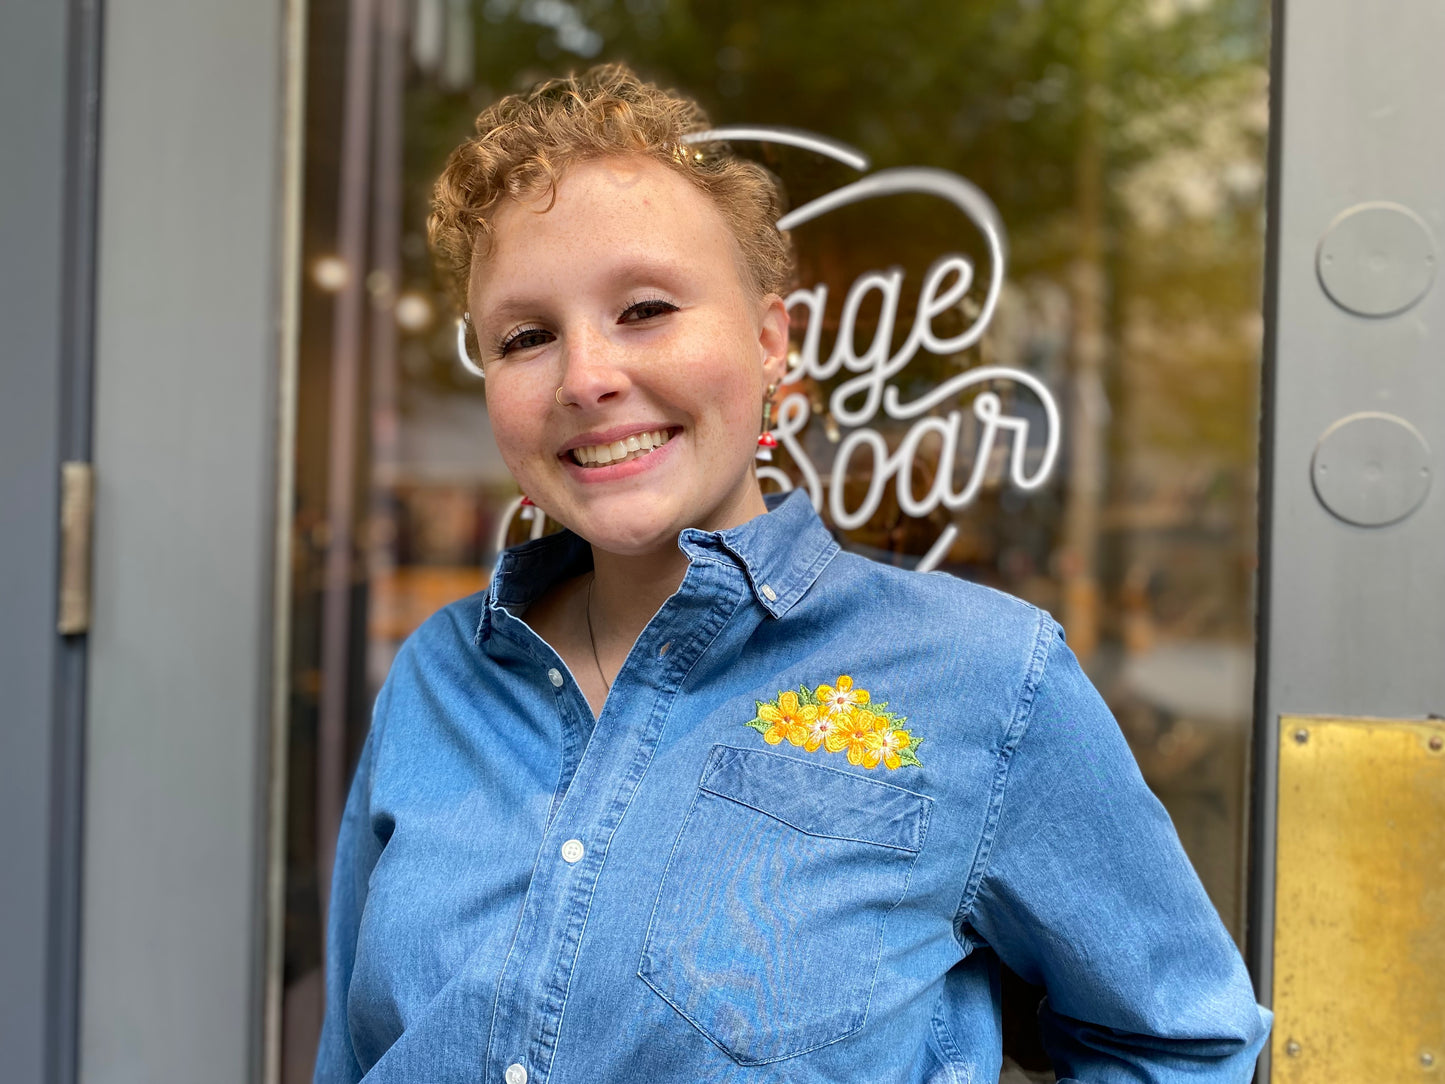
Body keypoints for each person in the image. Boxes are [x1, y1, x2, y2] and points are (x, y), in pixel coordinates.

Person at [315, 63, 1270, 1083]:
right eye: (526, 336)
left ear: (772, 341)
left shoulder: (983, 677)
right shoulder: (437, 677)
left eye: (644, 308)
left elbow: (1180, 1043)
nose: (586, 375)